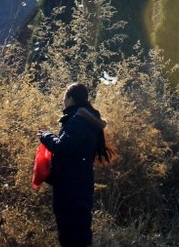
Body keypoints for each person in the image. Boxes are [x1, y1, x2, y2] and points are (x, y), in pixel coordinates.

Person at [37, 82, 113, 247]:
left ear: (71, 98)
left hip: (70, 184)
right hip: (80, 181)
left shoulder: (78, 120)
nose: (64, 101)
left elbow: (63, 147)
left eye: (65, 97)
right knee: (79, 228)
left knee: (69, 231)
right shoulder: (87, 119)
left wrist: (46, 135)